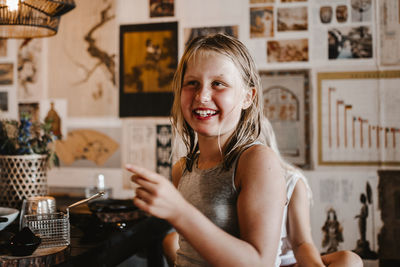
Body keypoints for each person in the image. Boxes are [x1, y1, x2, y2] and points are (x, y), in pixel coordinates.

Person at [126, 33, 287, 266]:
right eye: (192, 83)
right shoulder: (182, 169)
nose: (202, 96)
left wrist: (179, 212)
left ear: (247, 97)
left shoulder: (257, 161)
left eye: (218, 84)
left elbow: (259, 262)